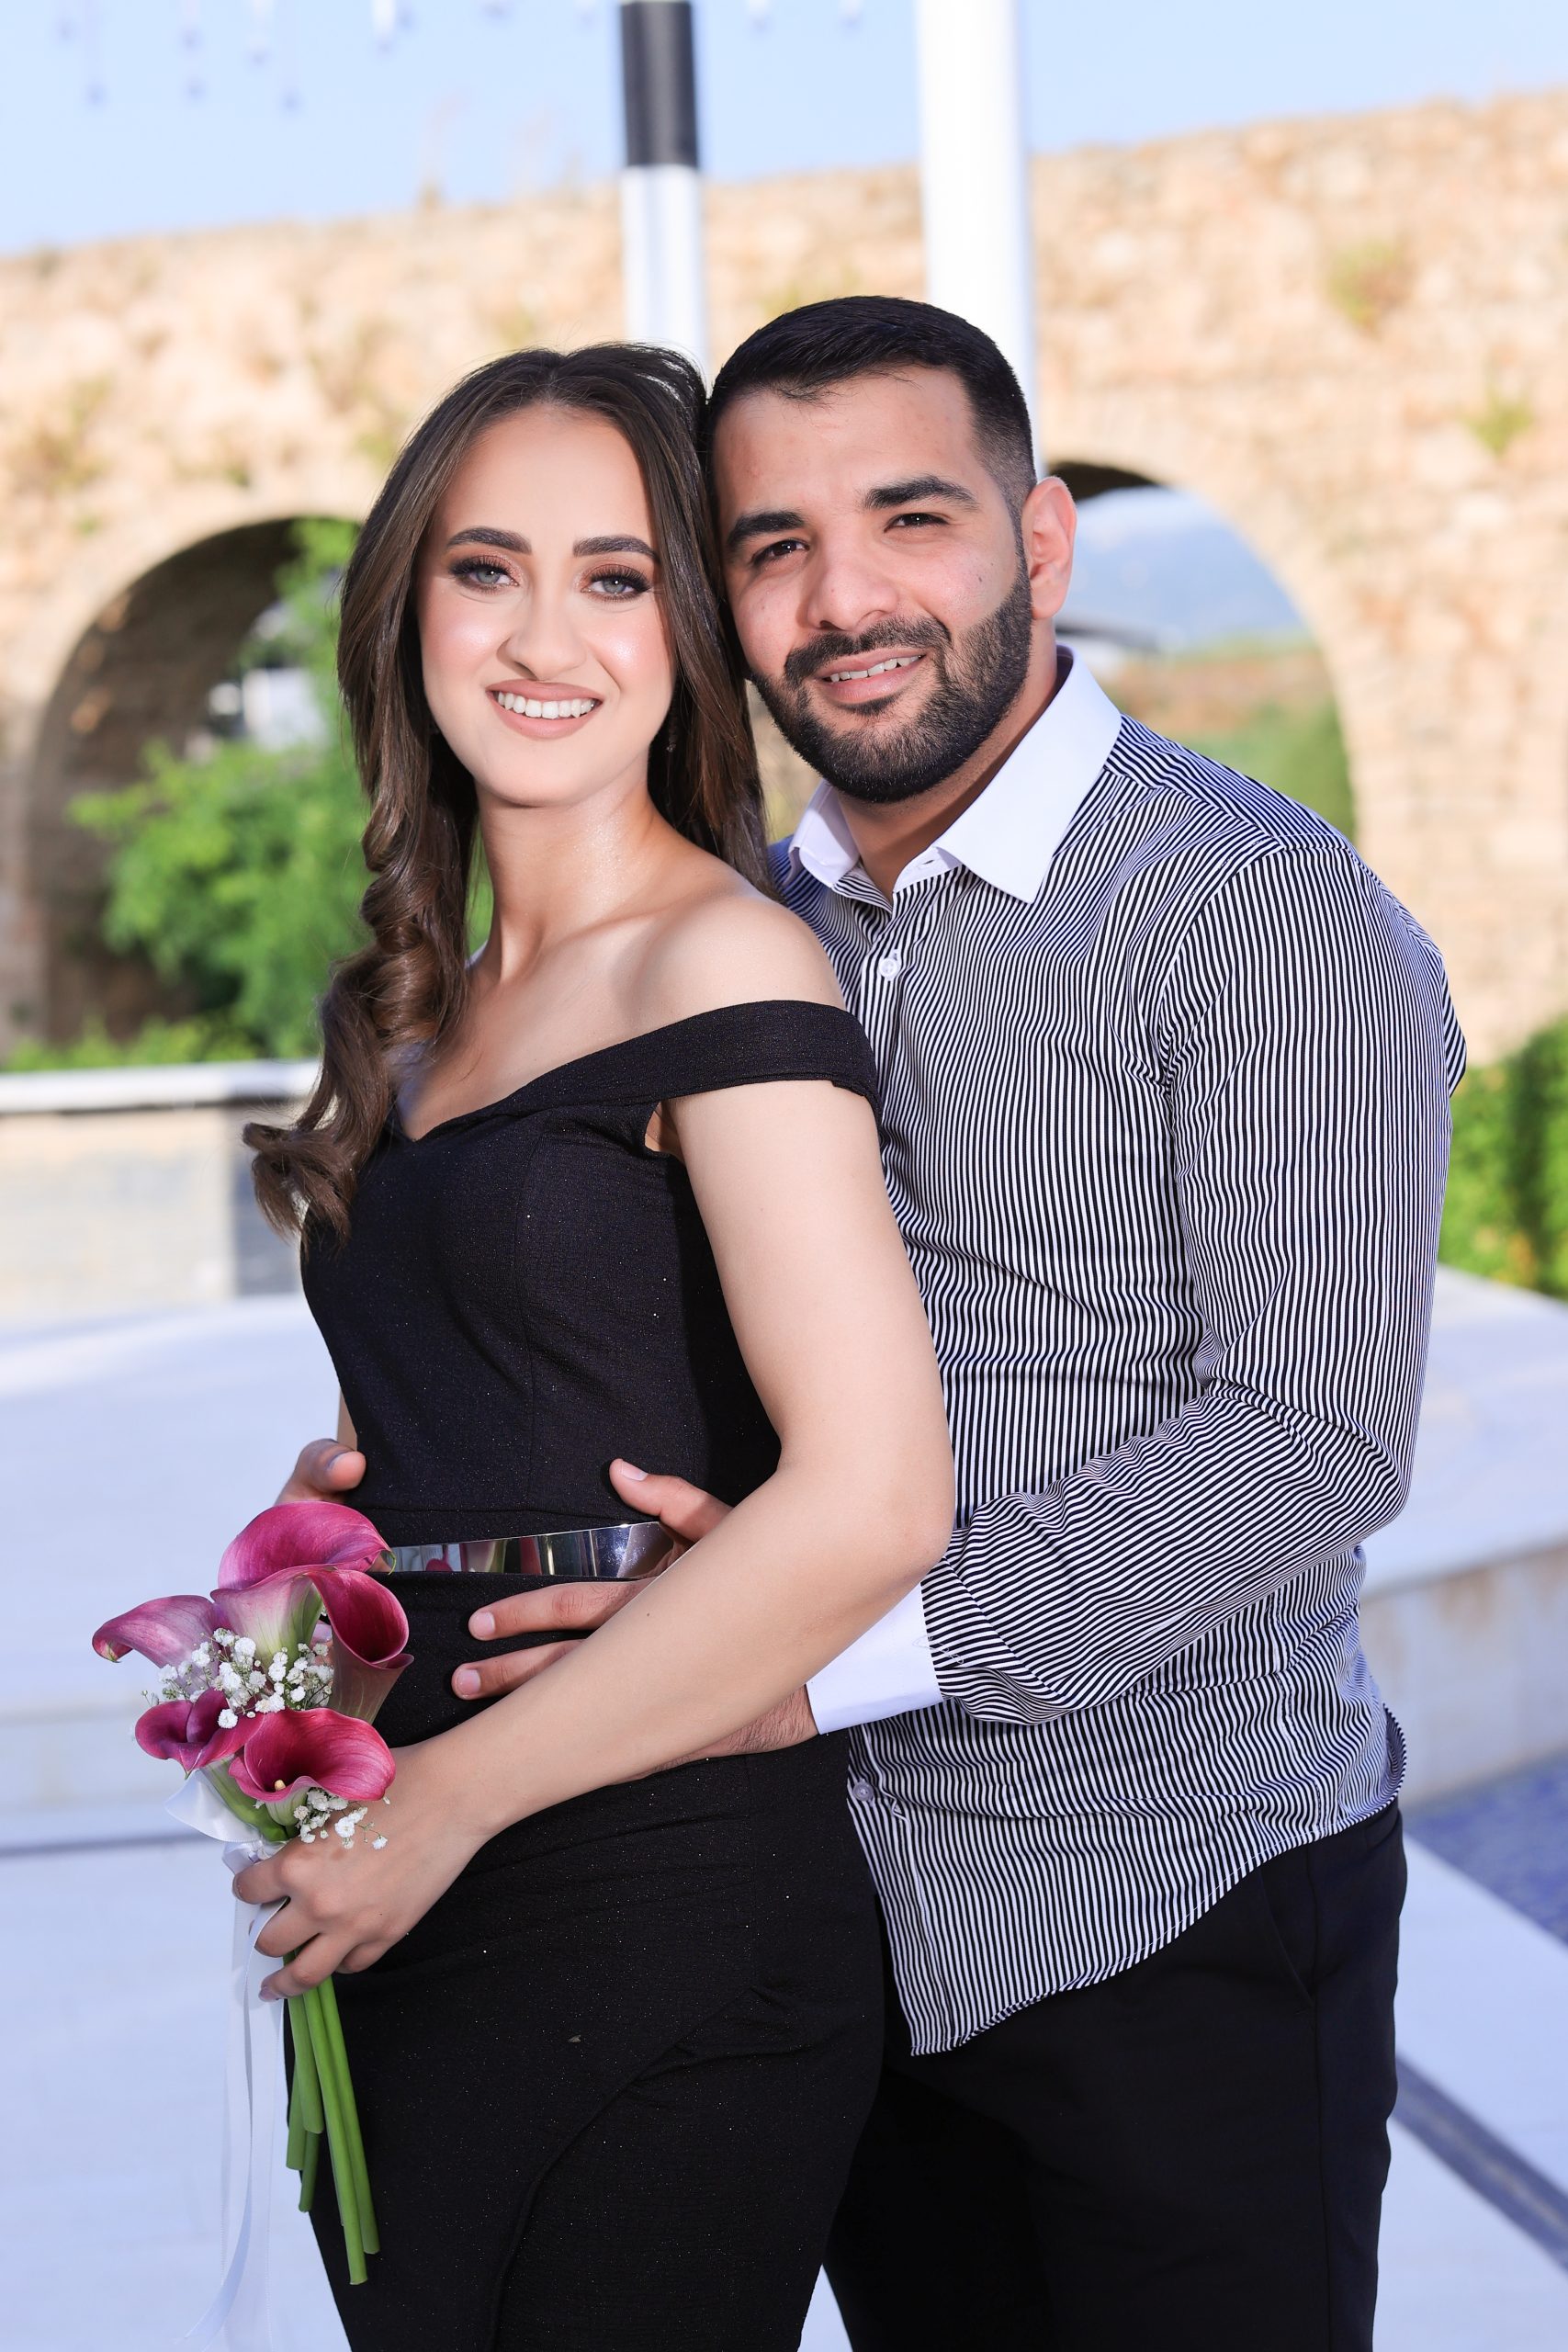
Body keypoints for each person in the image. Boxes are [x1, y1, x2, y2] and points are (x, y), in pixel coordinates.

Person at [285, 300, 1462, 2350]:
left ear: (1041, 541)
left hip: (1159, 1898)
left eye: (911, 520)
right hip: (850, 1911)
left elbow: (1310, 1435)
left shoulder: (1248, 905)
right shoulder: (770, 910)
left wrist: (809, 1663)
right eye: (774, 545)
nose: (844, 600)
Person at [238, 340, 954, 2352]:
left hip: (659, 1898)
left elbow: (876, 1494)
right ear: (411, 611)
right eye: (488, 570)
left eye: (616, 577)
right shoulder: (414, 1019)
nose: (544, 636)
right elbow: (475, 1401)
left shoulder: (725, 957)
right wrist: (320, 1575)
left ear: (684, 634)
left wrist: (444, 1808)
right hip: (403, 1904)